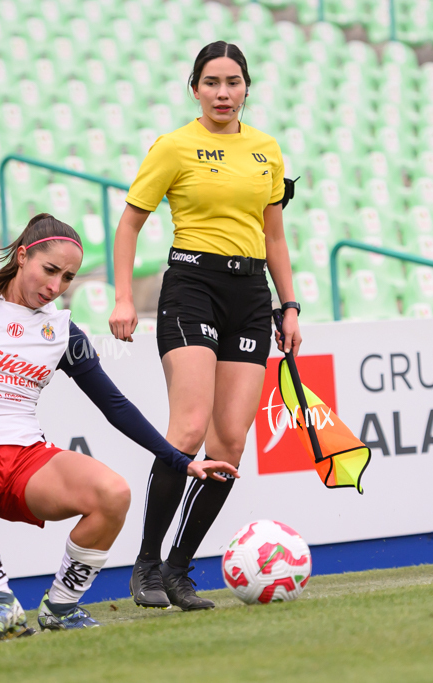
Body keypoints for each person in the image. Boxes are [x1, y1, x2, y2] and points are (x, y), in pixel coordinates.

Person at [0, 213, 237, 643]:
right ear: (21, 257)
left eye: (67, 278)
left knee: (113, 493)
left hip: (26, 459)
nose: (55, 287)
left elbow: (113, 405)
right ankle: (1, 603)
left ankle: (61, 606)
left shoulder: (61, 330)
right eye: (49, 270)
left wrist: (180, 461)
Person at [108, 41, 303, 612]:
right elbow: (129, 225)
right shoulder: (173, 146)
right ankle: (145, 563)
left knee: (231, 443)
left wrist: (288, 306)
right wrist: (123, 298)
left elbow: (275, 238)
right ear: (194, 87)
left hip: (249, 294)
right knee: (188, 430)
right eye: (212, 82)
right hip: (191, 287)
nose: (223, 93)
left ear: (247, 87)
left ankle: (178, 569)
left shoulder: (267, 151)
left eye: (233, 82)